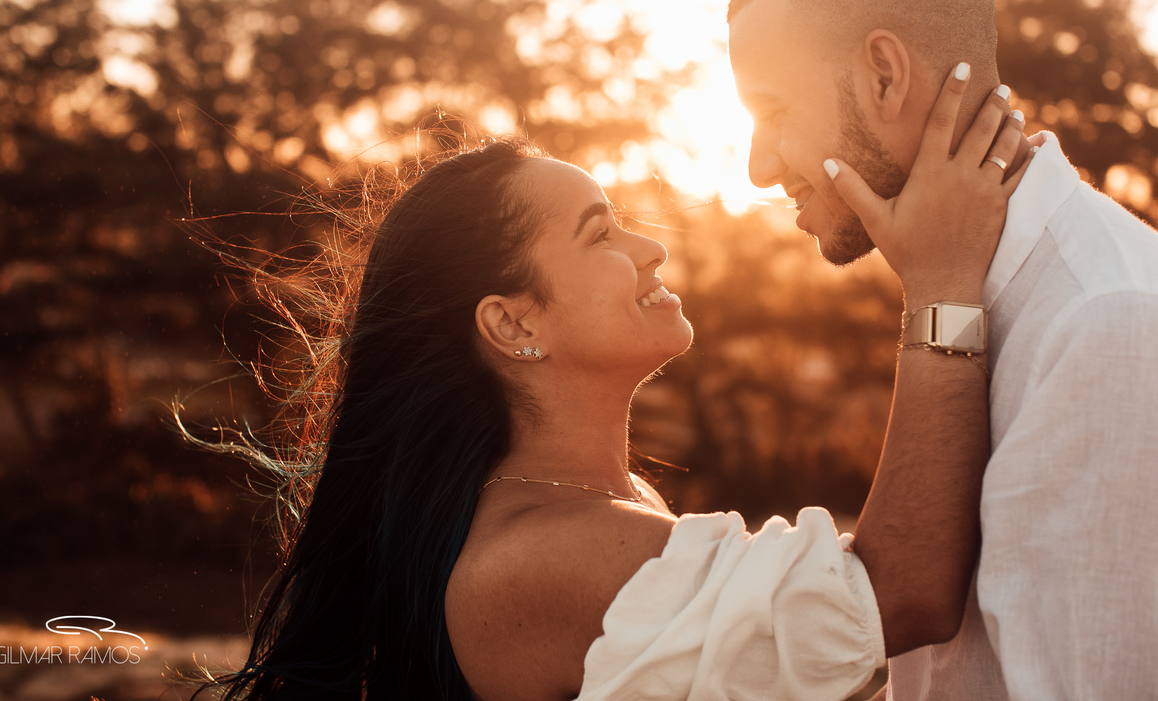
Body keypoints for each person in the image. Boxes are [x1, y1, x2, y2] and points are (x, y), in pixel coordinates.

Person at [185, 66, 1025, 699]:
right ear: (513, 324)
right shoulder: (550, 552)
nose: (649, 249)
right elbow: (896, 593)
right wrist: (943, 285)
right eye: (600, 235)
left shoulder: (600, 507)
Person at [727, 0, 1158, 698]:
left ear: (884, 75)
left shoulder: (1104, 321)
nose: (756, 166)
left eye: (772, 111)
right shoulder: (962, 299)